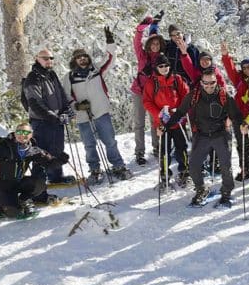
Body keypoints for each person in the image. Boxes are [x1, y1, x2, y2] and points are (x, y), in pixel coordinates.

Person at [165, 67, 244, 207]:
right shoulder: (194, 95)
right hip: (201, 135)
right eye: (206, 83)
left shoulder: (224, 95)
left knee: (226, 166)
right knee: (194, 165)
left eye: (212, 83)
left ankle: (226, 191)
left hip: (221, 134)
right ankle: (201, 189)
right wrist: (165, 126)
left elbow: (236, 115)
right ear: (201, 82)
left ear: (216, 81)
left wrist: (242, 124)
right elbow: (180, 112)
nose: (209, 86)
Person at [63, 28, 132, 184]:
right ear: (74, 61)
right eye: (79, 58)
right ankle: (95, 169)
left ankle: (118, 165)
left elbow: (111, 56)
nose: (82, 60)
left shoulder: (97, 70)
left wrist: (109, 41)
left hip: (101, 112)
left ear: (88, 58)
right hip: (83, 116)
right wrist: (76, 106)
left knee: (110, 141)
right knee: (89, 145)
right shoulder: (69, 77)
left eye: (84, 57)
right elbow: (66, 97)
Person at [0, 124, 70, 218]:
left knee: (39, 185)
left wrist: (59, 160)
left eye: (26, 133)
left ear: (31, 135)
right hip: (1, 183)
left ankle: (23, 200)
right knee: (12, 213)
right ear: (15, 133)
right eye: (19, 132)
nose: (22, 135)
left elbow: (48, 162)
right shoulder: (5, 147)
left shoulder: (33, 150)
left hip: (18, 181)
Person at [22, 48, 75, 185]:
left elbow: (61, 95)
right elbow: (34, 102)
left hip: (56, 120)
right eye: (45, 58)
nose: (49, 61)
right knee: (41, 152)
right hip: (41, 122)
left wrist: (66, 111)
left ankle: (56, 176)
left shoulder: (52, 75)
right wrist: (52, 116)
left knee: (57, 149)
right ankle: (38, 182)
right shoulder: (32, 77)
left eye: (51, 58)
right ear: (37, 58)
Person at [142, 55, 191, 189]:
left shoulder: (177, 79)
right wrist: (159, 114)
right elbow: (147, 101)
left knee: (181, 148)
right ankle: (164, 175)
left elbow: (186, 96)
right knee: (164, 150)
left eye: (166, 65)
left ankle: (185, 172)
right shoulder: (152, 82)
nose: (164, 68)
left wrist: (180, 111)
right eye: (161, 66)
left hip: (177, 121)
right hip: (162, 122)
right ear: (156, 68)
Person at [129, 13, 166, 165]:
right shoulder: (142, 56)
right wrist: (141, 28)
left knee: (155, 122)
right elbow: (137, 41)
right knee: (139, 123)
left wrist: (155, 25)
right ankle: (139, 152)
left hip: (153, 94)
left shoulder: (162, 59)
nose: (155, 46)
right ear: (149, 44)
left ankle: (157, 147)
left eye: (157, 44)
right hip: (139, 92)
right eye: (153, 44)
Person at [221, 40, 249, 181]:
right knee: (243, 144)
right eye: (244, 67)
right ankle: (245, 168)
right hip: (239, 115)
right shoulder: (239, 80)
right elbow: (230, 69)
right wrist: (226, 56)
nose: (247, 69)